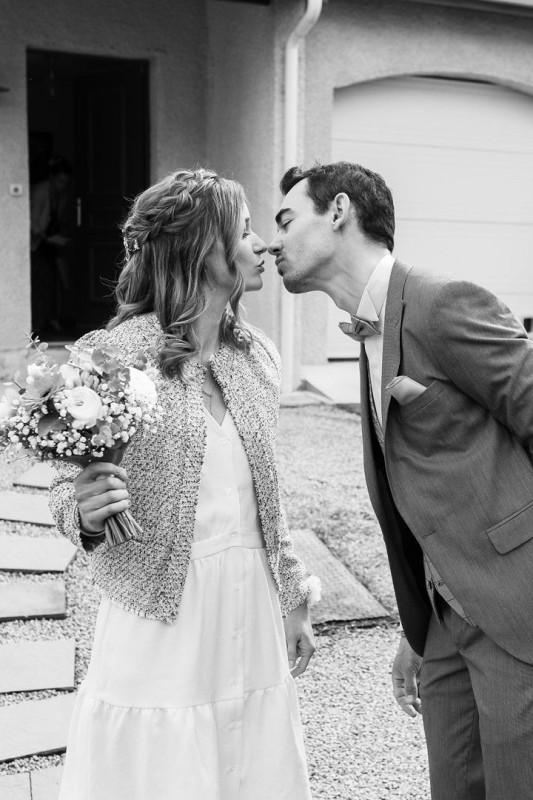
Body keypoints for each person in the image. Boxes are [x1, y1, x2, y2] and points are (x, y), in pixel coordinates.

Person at [49, 168, 318, 800]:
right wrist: (84, 515)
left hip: (248, 604)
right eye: (246, 232)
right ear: (202, 248)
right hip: (158, 611)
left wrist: (295, 593)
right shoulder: (112, 355)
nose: (263, 247)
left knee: (249, 762)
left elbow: (265, 506)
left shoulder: (259, 356)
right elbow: (65, 492)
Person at [268, 161, 533, 800]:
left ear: (337, 212)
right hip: (443, 620)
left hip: (516, 608)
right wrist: (419, 628)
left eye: (285, 220)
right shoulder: (366, 329)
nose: (273, 243)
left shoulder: (443, 301)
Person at [30, 156, 72, 336]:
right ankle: (38, 324)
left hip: (51, 245)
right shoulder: (40, 191)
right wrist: (48, 238)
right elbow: (32, 221)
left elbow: (58, 218)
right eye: (60, 181)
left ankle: (51, 320)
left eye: (66, 182)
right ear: (53, 178)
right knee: (39, 283)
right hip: (38, 244)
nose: (63, 185)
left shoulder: (61, 195)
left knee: (54, 284)